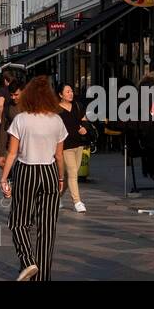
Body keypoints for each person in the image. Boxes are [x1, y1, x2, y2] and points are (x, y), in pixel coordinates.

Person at [0, 76, 67, 281]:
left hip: (26, 171)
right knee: (47, 227)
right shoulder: (56, 120)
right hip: (49, 173)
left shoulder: (21, 119)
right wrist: (61, 178)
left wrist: (4, 179)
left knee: (18, 222)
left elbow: (12, 153)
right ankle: (42, 276)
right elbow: (59, 156)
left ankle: (28, 261)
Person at [57, 84, 88, 213]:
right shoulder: (56, 109)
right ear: (60, 95)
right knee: (73, 172)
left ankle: (56, 197)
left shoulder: (77, 105)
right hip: (65, 146)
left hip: (79, 144)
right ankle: (77, 202)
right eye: (67, 91)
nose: (71, 94)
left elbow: (83, 119)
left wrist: (84, 127)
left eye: (71, 91)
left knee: (67, 174)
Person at [0, 81, 22, 171]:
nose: (13, 97)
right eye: (11, 95)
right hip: (10, 147)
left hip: (27, 148)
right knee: (8, 177)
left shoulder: (31, 106)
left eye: (16, 95)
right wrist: (1, 153)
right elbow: (3, 129)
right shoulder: (8, 107)